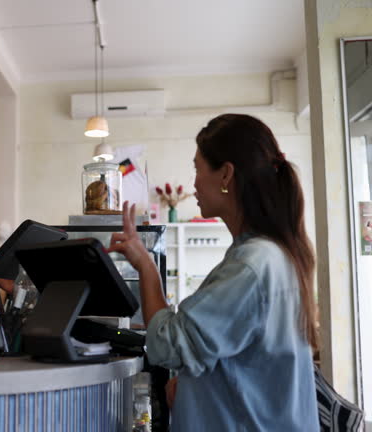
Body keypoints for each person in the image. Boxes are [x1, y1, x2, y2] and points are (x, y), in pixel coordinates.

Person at [109, 114, 319, 431]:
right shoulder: (273, 254)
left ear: (226, 174)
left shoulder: (252, 265)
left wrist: (146, 267)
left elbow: (169, 344)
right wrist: (196, 385)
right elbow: (246, 359)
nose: (193, 182)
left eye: (197, 167)